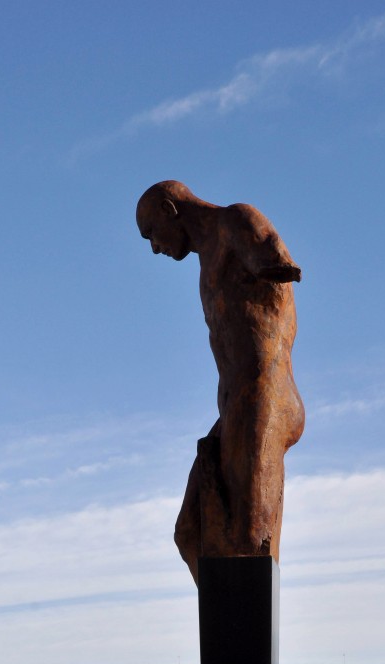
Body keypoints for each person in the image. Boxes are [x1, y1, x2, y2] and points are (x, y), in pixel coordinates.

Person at [136, 181, 304, 584]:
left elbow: (278, 263)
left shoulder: (234, 220)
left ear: (169, 209)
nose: (154, 248)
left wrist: (267, 258)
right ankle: (229, 637)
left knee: (247, 544)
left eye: (151, 234)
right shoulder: (207, 256)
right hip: (234, 410)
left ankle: (246, 635)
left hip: (264, 397)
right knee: (189, 531)